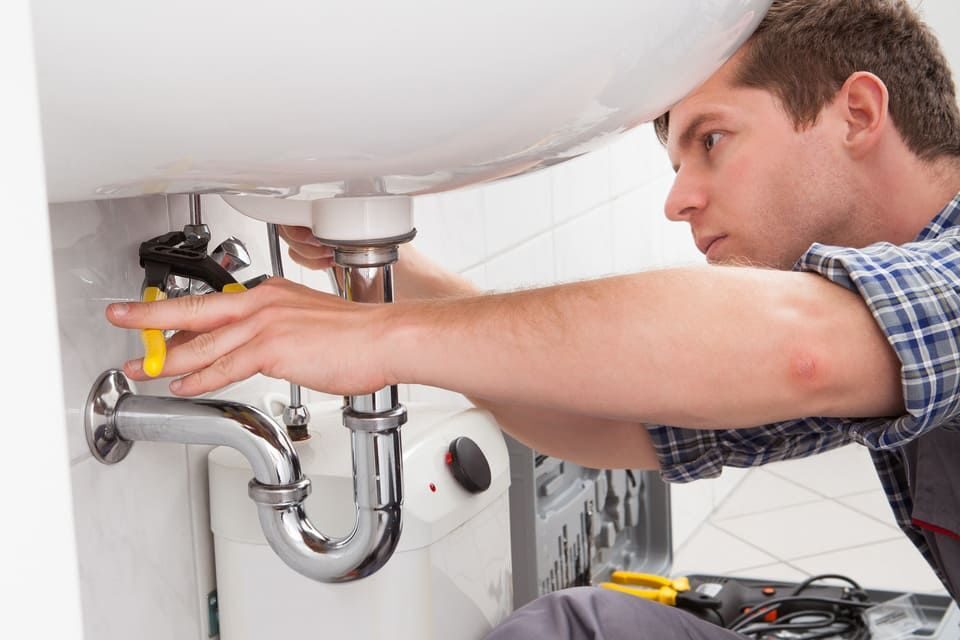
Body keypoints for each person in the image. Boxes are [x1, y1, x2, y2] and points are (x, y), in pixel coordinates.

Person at [106, 0, 960, 636]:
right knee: (578, 627)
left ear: (857, 113)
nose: (678, 200)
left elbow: (801, 349)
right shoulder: (874, 328)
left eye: (712, 141)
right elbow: (622, 424)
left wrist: (376, 340)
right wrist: (392, 287)